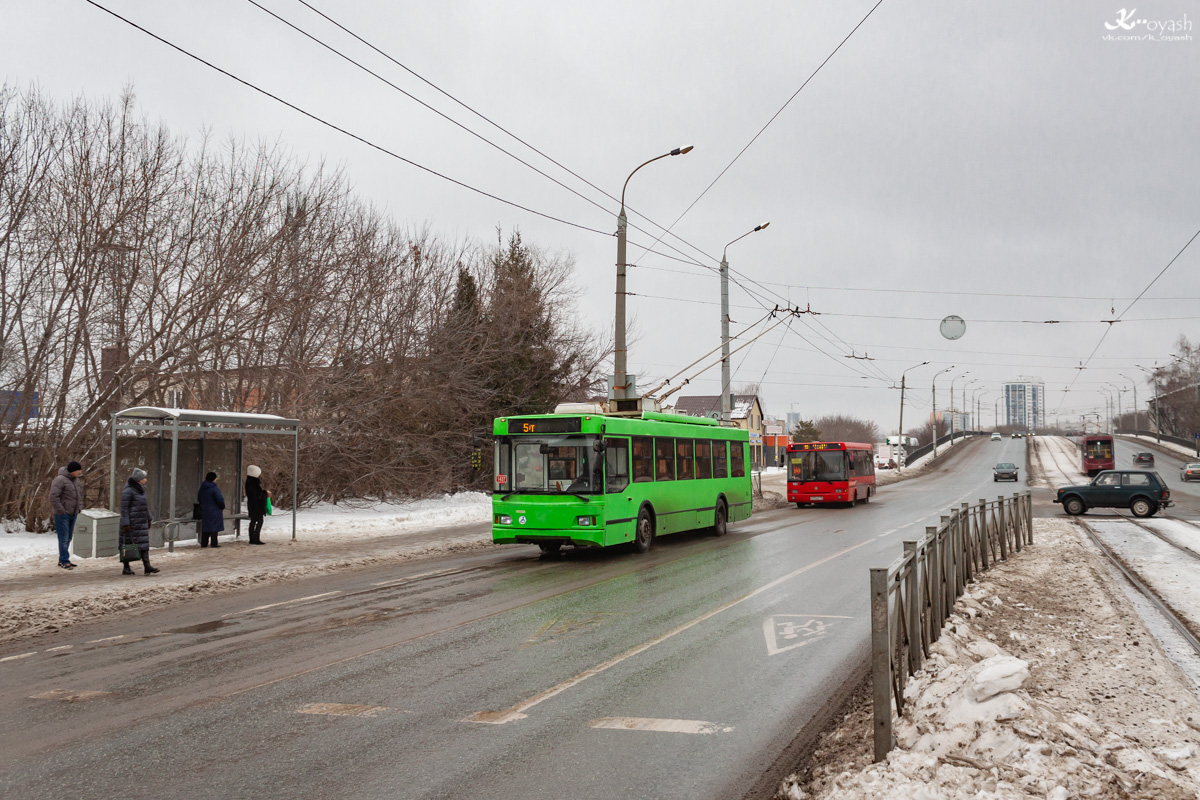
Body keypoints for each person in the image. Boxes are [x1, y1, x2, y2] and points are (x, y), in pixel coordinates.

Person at [120, 467, 159, 576]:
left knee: (143, 544)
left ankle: (147, 566)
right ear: (138, 479)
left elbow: (144, 506)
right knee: (128, 544)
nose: (145, 480)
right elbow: (124, 508)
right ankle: (126, 567)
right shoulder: (128, 490)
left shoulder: (141, 490)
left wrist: (149, 518)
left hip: (141, 522)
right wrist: (126, 523)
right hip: (131, 523)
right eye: (144, 478)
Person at [49, 460, 84, 569]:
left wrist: (79, 508)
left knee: (68, 538)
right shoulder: (59, 480)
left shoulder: (76, 481)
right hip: (62, 514)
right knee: (63, 538)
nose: (80, 472)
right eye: (78, 470)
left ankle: (62, 559)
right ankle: (64, 560)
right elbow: (53, 497)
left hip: (73, 513)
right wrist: (61, 510)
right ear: (73, 470)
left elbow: (79, 496)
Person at [197, 472, 226, 548]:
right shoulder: (214, 488)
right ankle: (214, 543)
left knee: (206, 526)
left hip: (205, 510)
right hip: (215, 510)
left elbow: (199, 498)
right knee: (214, 526)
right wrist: (222, 506)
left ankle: (204, 543)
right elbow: (219, 499)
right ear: (213, 479)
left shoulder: (202, 487)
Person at [244, 465, 269, 545]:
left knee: (253, 521)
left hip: (252, 505)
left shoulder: (249, 482)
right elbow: (257, 495)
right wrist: (265, 493)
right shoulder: (253, 483)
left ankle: (252, 538)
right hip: (256, 506)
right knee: (259, 521)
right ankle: (255, 538)